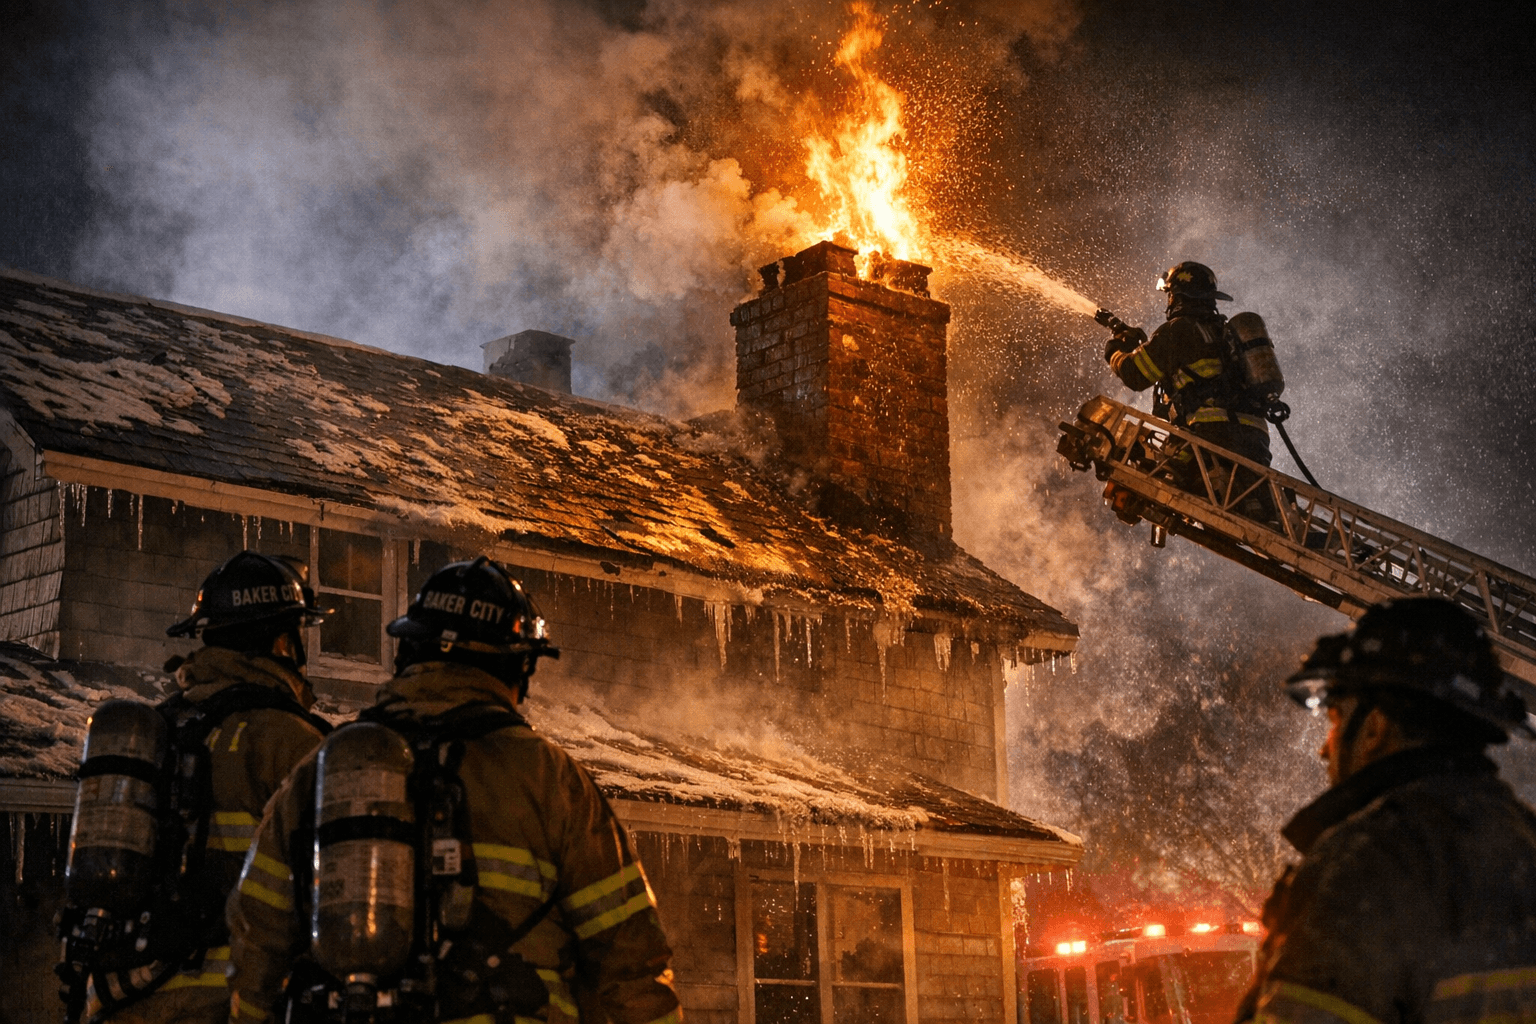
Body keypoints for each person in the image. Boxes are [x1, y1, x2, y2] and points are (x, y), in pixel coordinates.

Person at [226, 555, 682, 1024]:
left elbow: (257, 932)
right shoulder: (551, 779)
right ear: (518, 667)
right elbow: (629, 960)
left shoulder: (323, 768)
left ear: (407, 652)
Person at [58, 551, 331, 1024]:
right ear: (285, 643)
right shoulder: (290, 740)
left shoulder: (159, 730)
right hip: (224, 1005)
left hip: (122, 999)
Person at [1236, 597, 1536, 1024]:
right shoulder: (1526, 842)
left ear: (1375, 728)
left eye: (1336, 719)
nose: (1326, 748)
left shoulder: (1365, 869)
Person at [1104, 261, 1271, 469]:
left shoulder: (1178, 330)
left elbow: (1134, 374)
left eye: (1170, 295)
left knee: (1153, 477)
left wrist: (1114, 350)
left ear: (1177, 296)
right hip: (1255, 444)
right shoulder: (1227, 334)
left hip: (1209, 437)